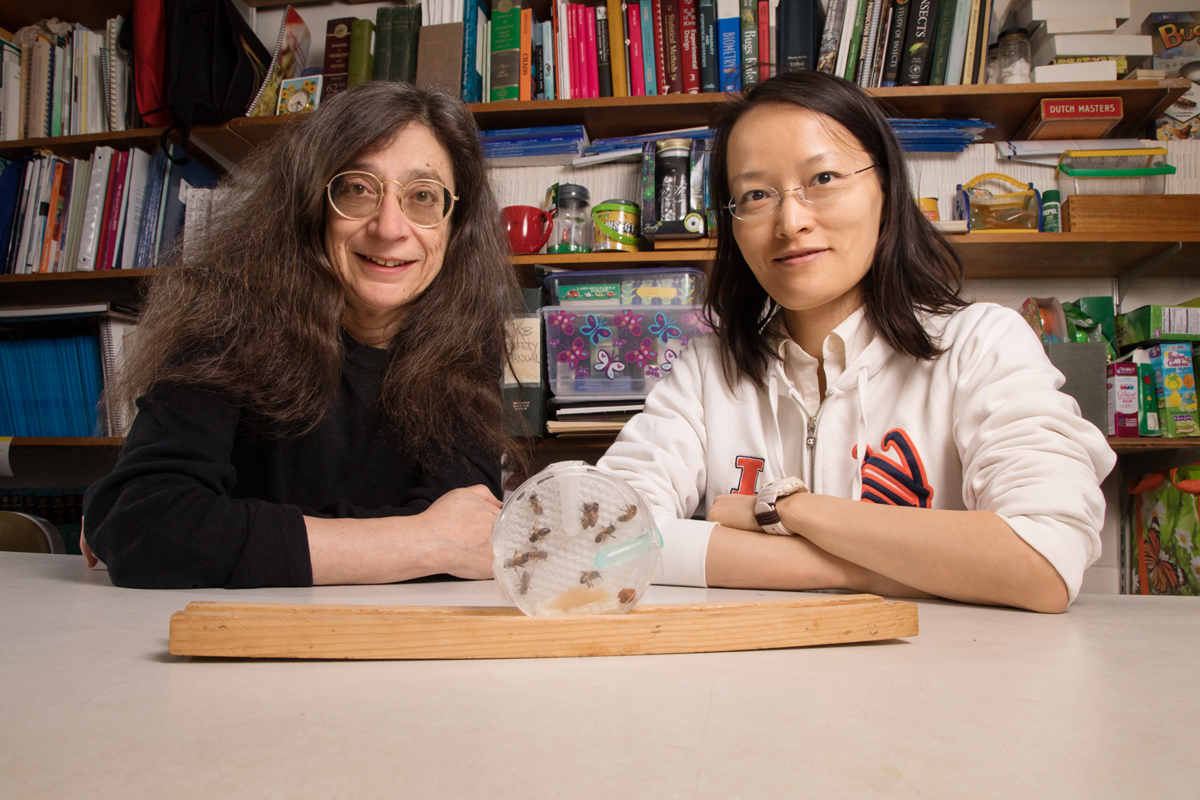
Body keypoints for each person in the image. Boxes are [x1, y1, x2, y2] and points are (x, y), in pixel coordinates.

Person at [598, 71, 1115, 613]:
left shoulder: (980, 344)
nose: (791, 221)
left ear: (887, 192)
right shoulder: (708, 368)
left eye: (822, 178)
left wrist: (784, 510)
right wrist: (872, 568)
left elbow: (1043, 563)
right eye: (755, 194)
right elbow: (608, 538)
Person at [83, 81, 521, 589]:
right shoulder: (224, 316)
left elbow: (468, 533)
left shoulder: (469, 340)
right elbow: (148, 527)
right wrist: (421, 541)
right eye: (357, 187)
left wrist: (229, 529)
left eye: (423, 197)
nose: (389, 227)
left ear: (455, 222)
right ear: (311, 204)